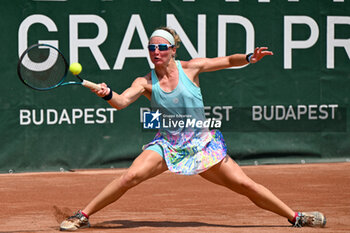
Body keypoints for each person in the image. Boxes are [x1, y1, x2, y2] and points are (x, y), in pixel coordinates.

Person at [60, 27, 326, 231]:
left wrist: (249, 57)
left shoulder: (191, 68)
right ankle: (82, 216)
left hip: (202, 146)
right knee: (130, 177)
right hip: (167, 145)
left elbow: (226, 61)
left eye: (162, 47)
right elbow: (121, 102)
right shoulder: (144, 82)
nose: (156, 52)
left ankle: (296, 217)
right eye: (151, 47)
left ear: (173, 49)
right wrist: (106, 93)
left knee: (245, 185)